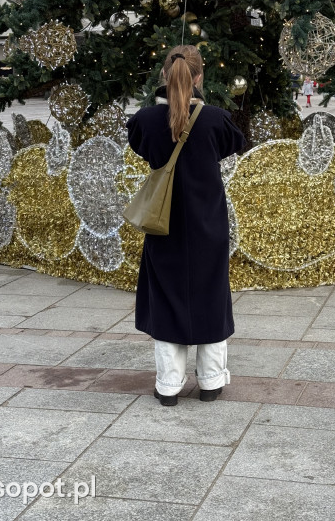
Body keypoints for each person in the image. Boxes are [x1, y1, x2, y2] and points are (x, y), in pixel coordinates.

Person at [126, 45, 246, 406]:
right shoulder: (216, 120)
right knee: (211, 296)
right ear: (199, 78)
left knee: (166, 299)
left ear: (164, 76)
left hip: (163, 227)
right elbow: (232, 145)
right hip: (207, 225)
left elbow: (142, 147)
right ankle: (210, 382)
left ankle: (168, 386)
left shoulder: (144, 121)